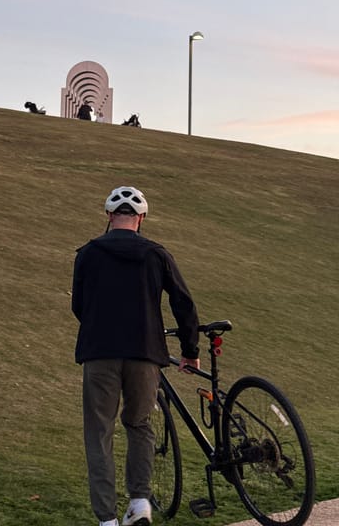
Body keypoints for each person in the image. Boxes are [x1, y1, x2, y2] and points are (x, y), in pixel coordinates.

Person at [72, 186, 200, 526]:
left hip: (100, 352)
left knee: (99, 431)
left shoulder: (88, 253)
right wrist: (190, 351)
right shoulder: (157, 254)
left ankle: (107, 519)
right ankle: (140, 501)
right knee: (139, 423)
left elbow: (79, 306)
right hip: (145, 352)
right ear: (141, 218)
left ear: (109, 215)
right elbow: (183, 303)